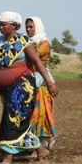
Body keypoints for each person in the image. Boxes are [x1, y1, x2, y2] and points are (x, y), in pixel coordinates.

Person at [0, 11, 59, 164]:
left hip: (23, 84)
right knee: (18, 118)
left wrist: (50, 83)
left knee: (11, 119)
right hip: (6, 87)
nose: (1, 27)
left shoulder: (23, 40)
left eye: (4, 24)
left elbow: (37, 62)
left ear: (14, 25)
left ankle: (8, 156)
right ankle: (40, 150)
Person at [26, 16, 59, 150]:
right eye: (27, 27)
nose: (28, 30)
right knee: (31, 112)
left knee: (40, 113)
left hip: (42, 80)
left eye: (31, 27)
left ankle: (43, 142)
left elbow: (35, 58)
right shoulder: (28, 42)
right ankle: (37, 144)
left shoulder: (43, 43)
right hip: (30, 79)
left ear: (37, 27)